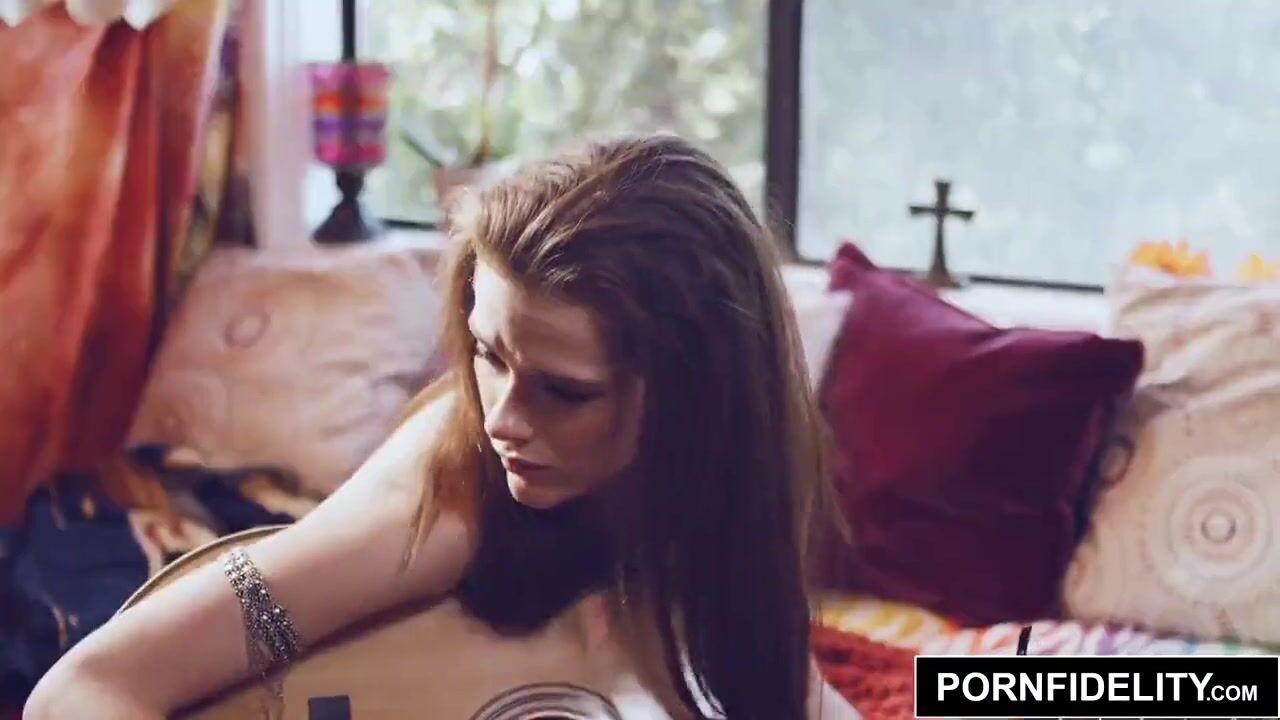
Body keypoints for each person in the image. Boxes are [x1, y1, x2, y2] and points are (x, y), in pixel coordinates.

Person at [24, 133, 860, 719]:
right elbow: (87, 688)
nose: (502, 419)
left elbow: (792, 691)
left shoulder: (721, 515)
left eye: (563, 392)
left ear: (695, 397)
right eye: (488, 355)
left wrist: (948, 690)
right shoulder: (451, 494)